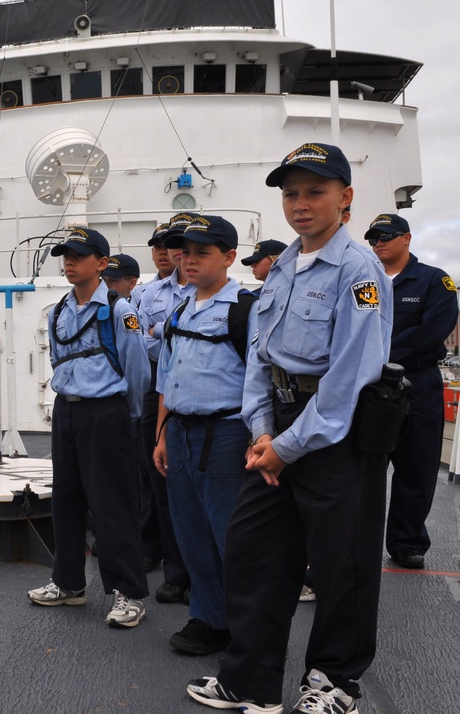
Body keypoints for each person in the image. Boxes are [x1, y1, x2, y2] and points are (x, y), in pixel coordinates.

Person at [187, 143, 392, 714]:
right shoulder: (281, 266)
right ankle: (250, 679)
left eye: (315, 191)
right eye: (291, 193)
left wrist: (287, 446)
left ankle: (334, 684)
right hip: (274, 425)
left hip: (334, 435)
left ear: (345, 198)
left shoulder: (359, 271)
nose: (300, 204)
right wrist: (260, 427)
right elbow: (260, 352)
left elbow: (351, 375)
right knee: (254, 551)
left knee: (341, 564)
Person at [28, 227, 150, 628]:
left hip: (105, 413)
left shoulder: (119, 310)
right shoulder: (58, 311)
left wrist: (124, 415)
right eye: (65, 256)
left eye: (78, 256)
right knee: (65, 499)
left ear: (101, 263)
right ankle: (68, 584)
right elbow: (58, 361)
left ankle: (128, 593)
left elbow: (137, 369)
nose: (69, 262)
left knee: (112, 505)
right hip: (67, 411)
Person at [152, 215, 257, 655]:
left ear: (229, 257)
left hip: (228, 434)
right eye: (185, 252)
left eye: (202, 252)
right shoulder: (179, 310)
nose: (189, 260)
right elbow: (166, 378)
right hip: (180, 432)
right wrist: (160, 435)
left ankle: (247, 627)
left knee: (230, 536)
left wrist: (259, 436)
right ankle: (209, 618)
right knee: (190, 532)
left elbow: (262, 378)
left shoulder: (247, 308)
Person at [366, 213, 459, 570]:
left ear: (406, 238)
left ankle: (406, 543)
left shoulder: (435, 280)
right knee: (366, 466)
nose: (379, 242)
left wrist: (377, 352)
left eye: (387, 235)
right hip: (371, 386)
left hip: (417, 383)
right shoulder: (365, 281)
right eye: (374, 237)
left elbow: (431, 331)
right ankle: (359, 537)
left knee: (416, 465)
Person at [132, 216, 195, 603]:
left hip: (204, 395)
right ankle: (174, 570)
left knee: (200, 490)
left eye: (184, 245)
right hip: (158, 389)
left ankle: (204, 574)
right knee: (159, 481)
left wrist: (162, 335)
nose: (174, 251)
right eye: (170, 244)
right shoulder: (147, 295)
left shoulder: (231, 297)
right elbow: (140, 342)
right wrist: (165, 338)